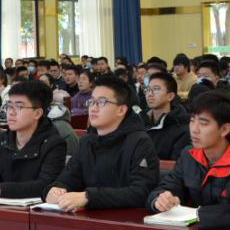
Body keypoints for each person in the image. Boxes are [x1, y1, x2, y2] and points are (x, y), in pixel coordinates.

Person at [147, 91, 230, 219]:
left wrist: (204, 217)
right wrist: (160, 199)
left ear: (224, 129)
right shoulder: (188, 156)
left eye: (203, 123)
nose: (194, 129)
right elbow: (166, 187)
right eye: (192, 121)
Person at [45, 76, 159, 211]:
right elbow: (68, 179)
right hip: (88, 218)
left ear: (121, 110)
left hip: (125, 220)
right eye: (91, 102)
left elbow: (141, 192)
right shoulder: (87, 141)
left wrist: (89, 197)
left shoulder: (140, 141)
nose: (93, 108)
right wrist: (55, 189)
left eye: (101, 102)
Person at [0, 81, 67, 199]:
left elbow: (45, 186)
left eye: (19, 107)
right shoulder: (2, 139)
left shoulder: (54, 144)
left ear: (37, 113)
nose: (11, 112)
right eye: (9, 106)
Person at [141, 72, 191, 160]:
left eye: (156, 89)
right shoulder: (139, 121)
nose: (149, 94)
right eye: (147, 89)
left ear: (170, 96)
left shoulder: (182, 129)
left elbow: (177, 165)